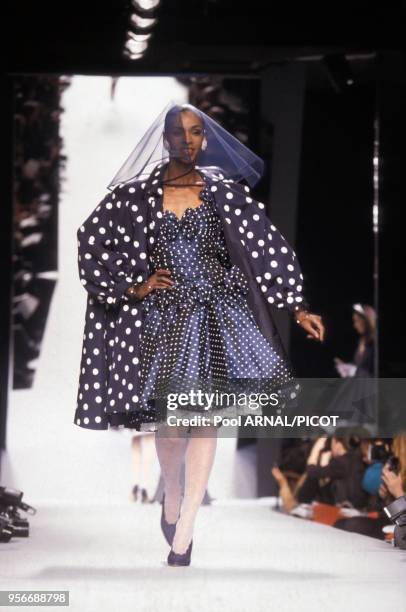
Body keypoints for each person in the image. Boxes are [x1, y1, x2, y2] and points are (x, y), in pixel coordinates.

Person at [74, 101, 325, 566]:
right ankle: (173, 495)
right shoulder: (136, 196)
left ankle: (186, 525)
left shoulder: (224, 192)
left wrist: (296, 305)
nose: (186, 141)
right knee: (170, 427)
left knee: (205, 418)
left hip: (217, 316)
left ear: (204, 139)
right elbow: (90, 239)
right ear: (164, 139)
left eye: (194, 133)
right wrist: (134, 285)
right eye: (178, 132)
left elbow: (267, 245)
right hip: (163, 320)